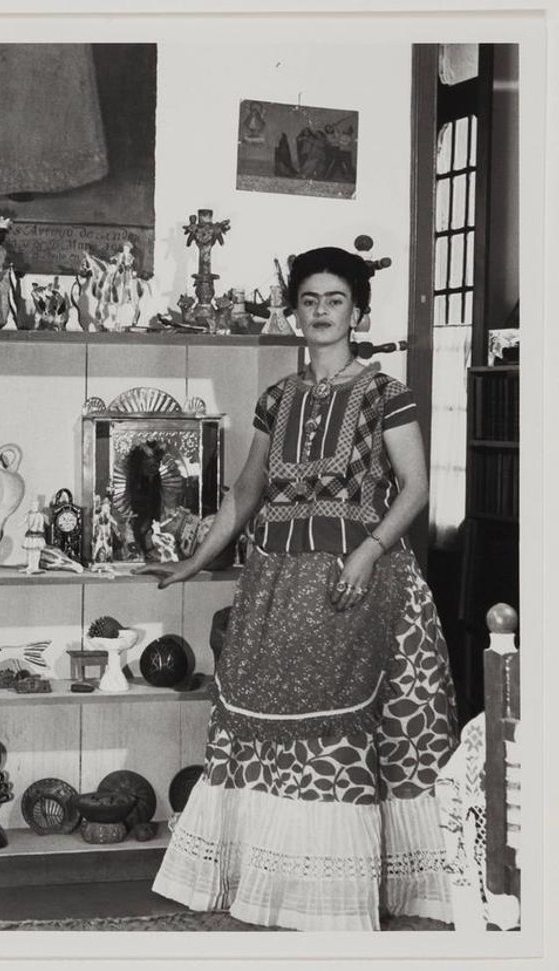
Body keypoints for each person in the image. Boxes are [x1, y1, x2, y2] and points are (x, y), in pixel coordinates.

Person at [142, 246, 456, 931]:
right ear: (294, 312)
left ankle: (332, 894)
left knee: (335, 720)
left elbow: (417, 487)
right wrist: (199, 558)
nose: (320, 311)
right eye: (309, 299)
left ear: (358, 311)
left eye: (335, 300)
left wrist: (369, 553)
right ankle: (274, 885)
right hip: (277, 578)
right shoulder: (278, 397)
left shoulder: (384, 392)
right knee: (260, 715)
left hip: (357, 576)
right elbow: (249, 489)